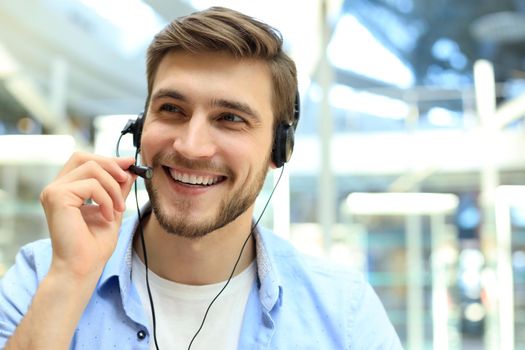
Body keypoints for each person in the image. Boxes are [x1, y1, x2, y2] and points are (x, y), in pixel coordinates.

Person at [0, 7, 402, 350]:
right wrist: (70, 278)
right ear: (140, 129)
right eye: (172, 109)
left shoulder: (345, 314)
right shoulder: (43, 277)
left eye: (230, 118)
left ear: (279, 151)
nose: (192, 146)